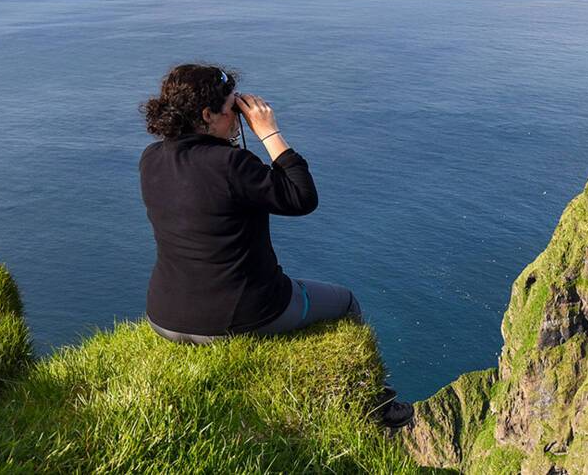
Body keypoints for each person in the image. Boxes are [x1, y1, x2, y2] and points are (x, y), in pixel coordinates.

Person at [137, 63, 411, 428]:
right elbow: (302, 198)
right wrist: (270, 133)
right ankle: (377, 406)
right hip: (242, 315)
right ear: (206, 115)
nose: (238, 119)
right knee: (345, 301)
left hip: (164, 315)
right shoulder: (232, 163)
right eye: (232, 109)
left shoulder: (150, 159)